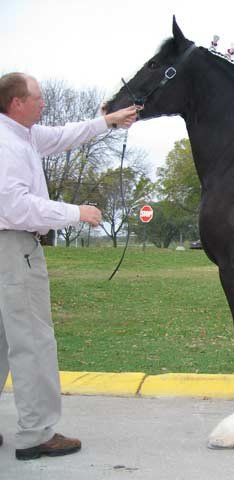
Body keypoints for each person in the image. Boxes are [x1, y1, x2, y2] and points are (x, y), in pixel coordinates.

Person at [0, 72, 138, 460]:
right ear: (17, 103)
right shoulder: (7, 145)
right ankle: (35, 434)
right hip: (14, 248)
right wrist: (76, 212)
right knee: (32, 342)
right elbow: (16, 206)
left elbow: (62, 136)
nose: (44, 104)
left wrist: (107, 121)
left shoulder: (20, 134)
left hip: (5, 249)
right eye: (38, 98)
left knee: (2, 341)